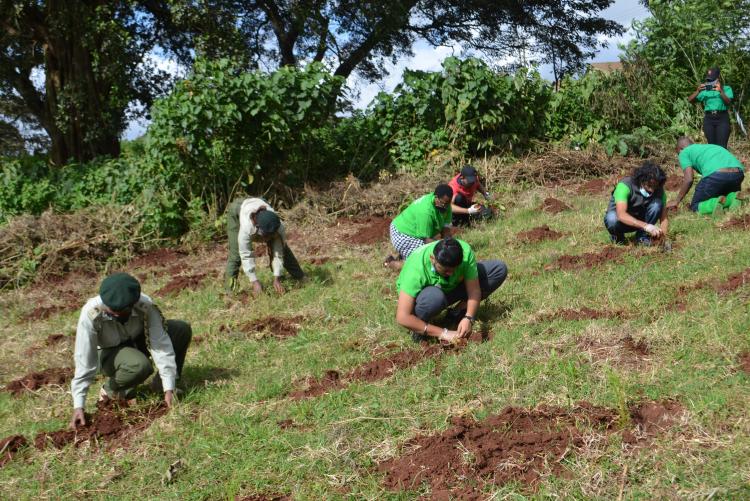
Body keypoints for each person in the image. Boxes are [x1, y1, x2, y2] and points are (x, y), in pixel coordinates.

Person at [70, 273, 192, 429]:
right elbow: (84, 360)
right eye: (110, 311)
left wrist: (169, 387)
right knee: (139, 365)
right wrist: (78, 405)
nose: (113, 314)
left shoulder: (145, 305)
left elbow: (160, 342)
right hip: (108, 353)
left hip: (135, 341)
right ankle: (110, 391)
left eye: (120, 312)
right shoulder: (90, 313)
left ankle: (160, 386)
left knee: (180, 330)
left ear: (132, 305)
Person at [395, 238, 507, 344]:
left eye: (454, 269)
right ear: (432, 259)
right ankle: (419, 327)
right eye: (445, 270)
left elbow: (474, 290)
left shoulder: (465, 253)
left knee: (498, 269)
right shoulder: (415, 270)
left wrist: (469, 317)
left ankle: (456, 314)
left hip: (449, 289)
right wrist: (444, 333)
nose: (451, 274)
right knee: (434, 298)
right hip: (426, 299)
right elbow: (402, 317)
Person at [225, 197, 304, 295]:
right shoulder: (247, 227)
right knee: (236, 255)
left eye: (271, 236)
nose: (267, 240)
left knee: (284, 249)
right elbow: (245, 254)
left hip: (258, 206)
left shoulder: (279, 226)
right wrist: (254, 281)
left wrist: (277, 278)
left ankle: (299, 277)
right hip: (237, 211)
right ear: (257, 226)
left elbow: (278, 252)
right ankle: (229, 291)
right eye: (266, 236)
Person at [385, 184, 454, 271]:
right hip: (402, 233)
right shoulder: (426, 211)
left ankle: (405, 253)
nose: (445, 207)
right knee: (421, 263)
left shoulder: (445, 205)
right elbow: (427, 240)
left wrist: (450, 245)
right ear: (436, 197)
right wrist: (444, 249)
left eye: (447, 204)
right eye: (443, 204)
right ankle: (391, 263)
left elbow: (446, 229)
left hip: (416, 232)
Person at [667, 137, 745, 215]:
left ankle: (714, 203)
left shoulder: (684, 152)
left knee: (695, 206)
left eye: (678, 153)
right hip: (738, 174)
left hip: (717, 176)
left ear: (680, 149)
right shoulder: (710, 146)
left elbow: (689, 179)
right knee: (723, 193)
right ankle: (733, 197)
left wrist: (677, 201)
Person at [604, 161, 669, 245]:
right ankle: (618, 237)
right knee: (611, 218)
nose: (652, 190)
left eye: (655, 186)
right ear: (642, 179)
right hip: (622, 221)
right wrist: (646, 226)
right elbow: (621, 215)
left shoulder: (660, 191)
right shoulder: (625, 186)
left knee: (657, 204)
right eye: (649, 185)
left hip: (641, 219)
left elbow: (664, 218)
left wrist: (662, 238)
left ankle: (642, 237)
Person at [688, 67, 733, 148]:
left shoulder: (726, 88)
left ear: (718, 78)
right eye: (708, 80)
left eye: (712, 80)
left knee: (722, 146)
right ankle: (713, 160)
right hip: (709, 119)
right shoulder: (705, 90)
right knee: (711, 146)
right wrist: (697, 91)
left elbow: (728, 102)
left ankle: (723, 160)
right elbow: (690, 100)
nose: (710, 82)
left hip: (722, 118)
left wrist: (720, 91)